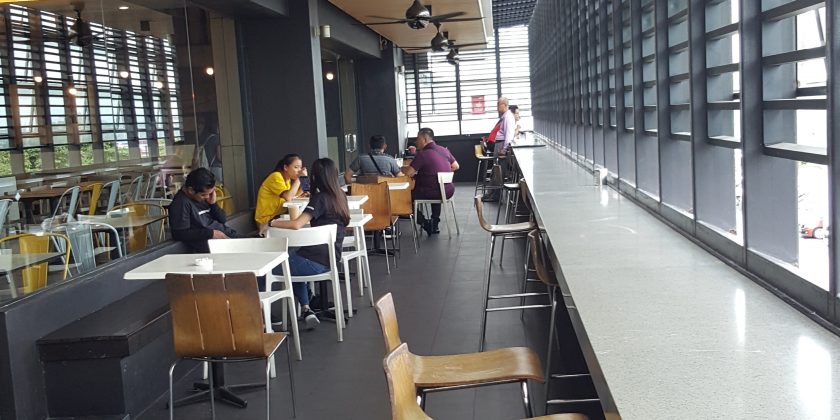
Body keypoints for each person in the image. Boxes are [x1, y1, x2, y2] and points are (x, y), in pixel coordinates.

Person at [263, 158, 350, 329]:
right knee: (291, 259)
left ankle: (263, 314)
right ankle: (306, 307)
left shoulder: (320, 199)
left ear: (315, 177)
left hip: (314, 261)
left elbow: (297, 224)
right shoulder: (340, 195)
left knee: (268, 268)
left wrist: (271, 223)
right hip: (332, 259)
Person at [402, 127, 459, 235]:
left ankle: (425, 223)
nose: (416, 142)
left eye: (418, 139)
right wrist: (441, 174)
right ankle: (435, 224)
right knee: (435, 185)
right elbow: (456, 166)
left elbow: (408, 173)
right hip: (448, 191)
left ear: (424, 139)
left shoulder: (422, 154)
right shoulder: (444, 150)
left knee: (404, 198)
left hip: (432, 191)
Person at [169, 167, 240, 253]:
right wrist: (211, 234)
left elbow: (222, 220)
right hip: (213, 245)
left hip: (226, 235)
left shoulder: (205, 197)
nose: (207, 197)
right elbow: (179, 233)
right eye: (203, 195)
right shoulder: (181, 203)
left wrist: (213, 204)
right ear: (191, 190)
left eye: (210, 193)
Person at [255, 154, 308, 227]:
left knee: (301, 222)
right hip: (266, 221)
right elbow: (288, 197)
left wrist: (304, 179)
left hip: (277, 217)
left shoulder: (287, 179)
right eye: (296, 167)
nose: (299, 171)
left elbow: (294, 196)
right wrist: (299, 178)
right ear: (285, 167)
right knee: (297, 225)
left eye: (300, 168)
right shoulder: (276, 176)